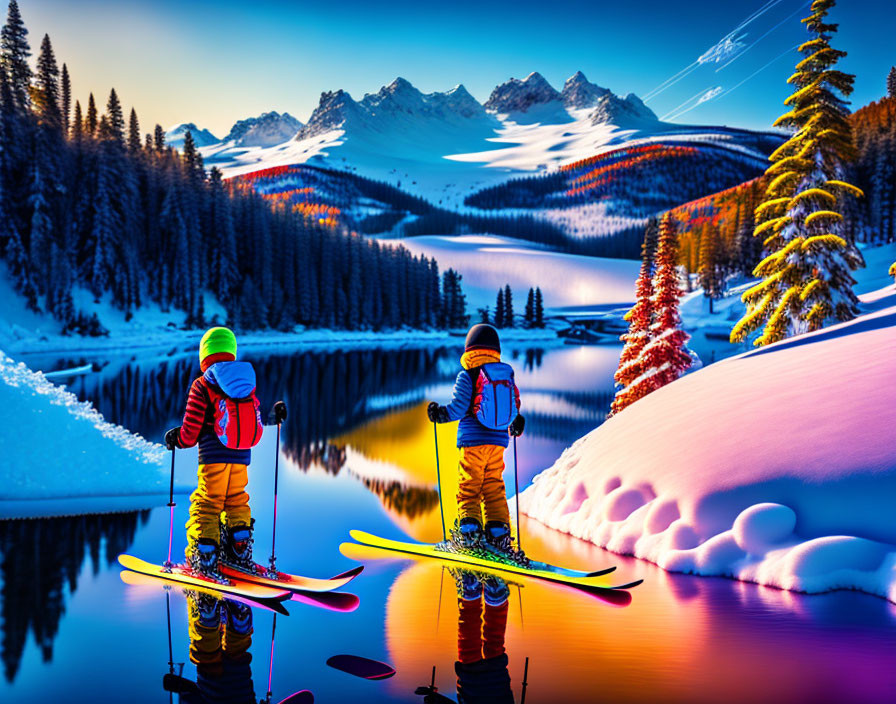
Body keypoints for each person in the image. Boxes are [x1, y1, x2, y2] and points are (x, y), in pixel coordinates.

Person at [165, 327, 286, 579]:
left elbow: (190, 432)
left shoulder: (202, 385)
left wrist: (177, 438)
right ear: (231, 351)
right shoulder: (244, 382)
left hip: (212, 457)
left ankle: (205, 558)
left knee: (207, 504)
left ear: (204, 355)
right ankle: (239, 551)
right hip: (242, 456)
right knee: (237, 500)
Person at [428, 324, 525, 561]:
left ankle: (469, 534)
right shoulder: (504, 375)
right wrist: (516, 422)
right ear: (495, 349)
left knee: (469, 486)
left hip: (472, 441)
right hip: (498, 442)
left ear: (469, 350)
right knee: (493, 486)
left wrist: (440, 414)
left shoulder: (468, 375)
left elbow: (459, 408)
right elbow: (515, 407)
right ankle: (498, 533)